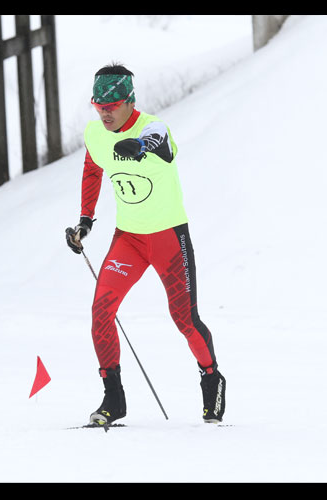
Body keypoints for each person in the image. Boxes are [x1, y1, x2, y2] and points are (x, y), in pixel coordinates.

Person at [65, 63, 225, 426]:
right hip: (130, 240)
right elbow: (93, 170)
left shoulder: (153, 126)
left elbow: (161, 144)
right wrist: (85, 221)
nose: (105, 113)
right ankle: (114, 399)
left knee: (184, 319)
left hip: (169, 237)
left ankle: (212, 378)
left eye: (113, 105)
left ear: (129, 101)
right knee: (101, 312)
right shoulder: (95, 134)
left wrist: (139, 145)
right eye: (99, 106)